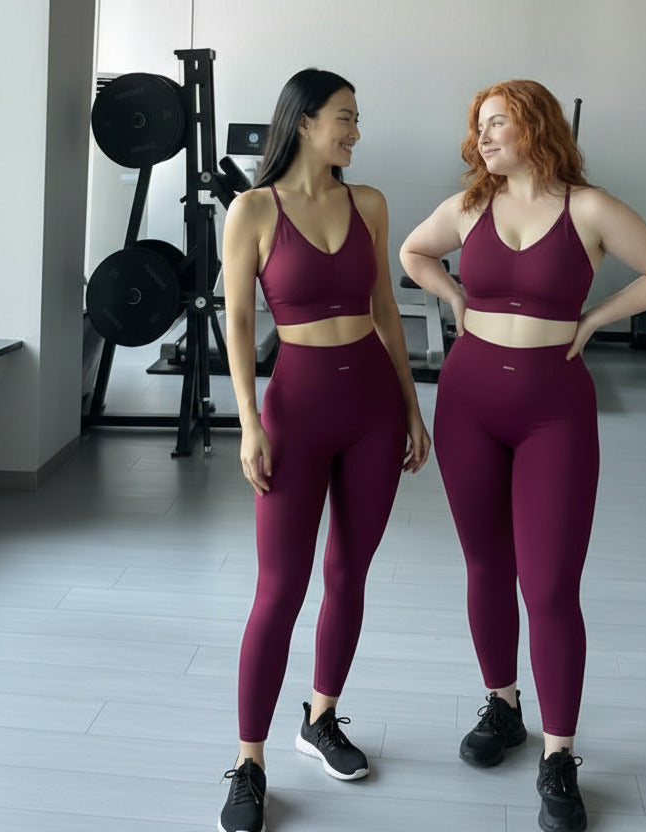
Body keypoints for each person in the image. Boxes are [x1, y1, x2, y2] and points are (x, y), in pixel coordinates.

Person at [399, 79, 646, 832]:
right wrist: (455, 300)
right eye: (478, 127)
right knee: (485, 566)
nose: (482, 139)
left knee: (551, 584)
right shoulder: (470, 206)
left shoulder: (589, 208)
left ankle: (559, 755)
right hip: (467, 404)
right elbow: (412, 252)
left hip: (553, 413)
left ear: (536, 127)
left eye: (496, 124)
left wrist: (595, 318)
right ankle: (502, 707)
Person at [217, 68, 430, 832]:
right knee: (279, 588)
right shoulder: (252, 210)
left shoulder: (367, 202)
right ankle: (248, 763)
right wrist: (246, 420)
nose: (355, 131)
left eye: (357, 119)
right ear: (304, 121)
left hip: (372, 406)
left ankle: (321, 717)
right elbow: (238, 324)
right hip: (295, 414)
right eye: (344, 117)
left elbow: (386, 311)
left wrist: (411, 406)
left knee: (349, 571)